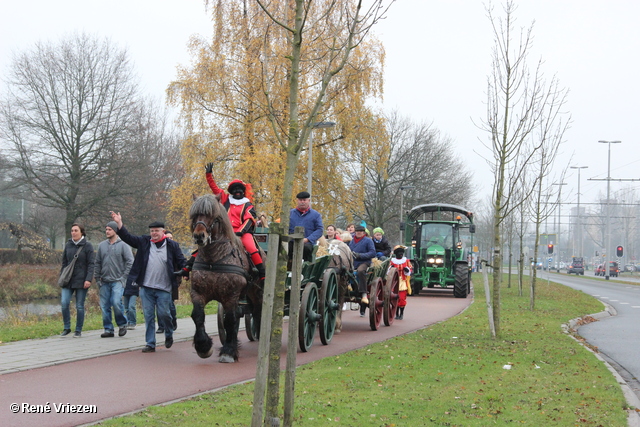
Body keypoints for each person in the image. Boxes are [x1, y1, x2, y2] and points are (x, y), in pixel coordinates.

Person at [110, 212, 186, 353]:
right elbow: (128, 238)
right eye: (152, 231)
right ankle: (150, 343)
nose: (154, 233)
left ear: (163, 231)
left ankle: (169, 332)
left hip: (164, 288)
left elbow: (181, 261)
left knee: (164, 314)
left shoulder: (172, 245)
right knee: (149, 316)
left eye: (157, 231)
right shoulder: (145, 242)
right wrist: (119, 223)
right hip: (146, 288)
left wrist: (185, 271)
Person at [205, 162, 265, 280]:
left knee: (251, 248)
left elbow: (249, 220)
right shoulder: (225, 199)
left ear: (243, 191)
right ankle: (188, 267)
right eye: (234, 189)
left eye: (239, 189)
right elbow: (214, 188)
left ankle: (262, 274)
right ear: (231, 191)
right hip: (225, 232)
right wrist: (209, 175)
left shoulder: (248, 204)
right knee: (207, 243)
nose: (237, 191)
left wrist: (239, 233)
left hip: (242, 233)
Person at [94, 221, 133, 338]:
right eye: (106, 229)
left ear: (115, 231)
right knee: (105, 306)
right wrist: (97, 278)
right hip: (104, 280)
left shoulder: (124, 245)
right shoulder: (102, 245)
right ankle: (108, 329)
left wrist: (123, 278)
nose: (107, 231)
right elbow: (98, 262)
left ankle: (122, 324)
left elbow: (130, 262)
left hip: (118, 280)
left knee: (116, 302)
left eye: (109, 229)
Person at [60, 223, 95, 338]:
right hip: (68, 280)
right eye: (72, 230)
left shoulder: (87, 246)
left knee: (79, 305)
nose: (73, 233)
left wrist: (88, 279)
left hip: (82, 280)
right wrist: (62, 276)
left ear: (82, 232)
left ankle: (78, 330)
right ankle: (66, 327)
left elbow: (91, 264)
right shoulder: (68, 245)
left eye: (76, 230)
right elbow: (64, 262)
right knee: (64, 303)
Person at [348, 225, 376, 315]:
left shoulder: (368, 240)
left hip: (364, 262)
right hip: (352, 262)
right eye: (357, 231)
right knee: (344, 270)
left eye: (360, 231)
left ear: (364, 232)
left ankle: (363, 292)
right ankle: (348, 288)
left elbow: (372, 252)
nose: (358, 233)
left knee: (360, 271)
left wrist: (360, 255)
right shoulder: (351, 241)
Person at [289, 191, 324, 261]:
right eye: (300, 200)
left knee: (305, 248)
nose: (302, 202)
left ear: (309, 201)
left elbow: (319, 230)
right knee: (283, 248)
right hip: (291, 241)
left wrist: (308, 239)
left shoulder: (315, 215)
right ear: (297, 201)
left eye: (304, 200)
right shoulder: (290, 213)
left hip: (307, 243)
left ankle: (304, 267)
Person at [157, 231, 179, 334]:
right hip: (160, 281)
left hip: (172, 281)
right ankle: (161, 326)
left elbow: (180, 265)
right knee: (159, 304)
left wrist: (178, 280)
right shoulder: (162, 250)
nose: (170, 239)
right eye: (168, 238)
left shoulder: (175, 249)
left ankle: (172, 321)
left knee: (170, 304)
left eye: (171, 237)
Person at [390, 245, 412, 319]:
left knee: (402, 298)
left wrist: (407, 270)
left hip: (403, 281)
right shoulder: (392, 261)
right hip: (394, 282)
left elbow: (410, 269)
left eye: (401, 253)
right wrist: (391, 269)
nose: (400, 254)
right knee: (394, 299)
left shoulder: (406, 261)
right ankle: (396, 314)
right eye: (399, 253)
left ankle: (401, 313)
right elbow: (388, 271)